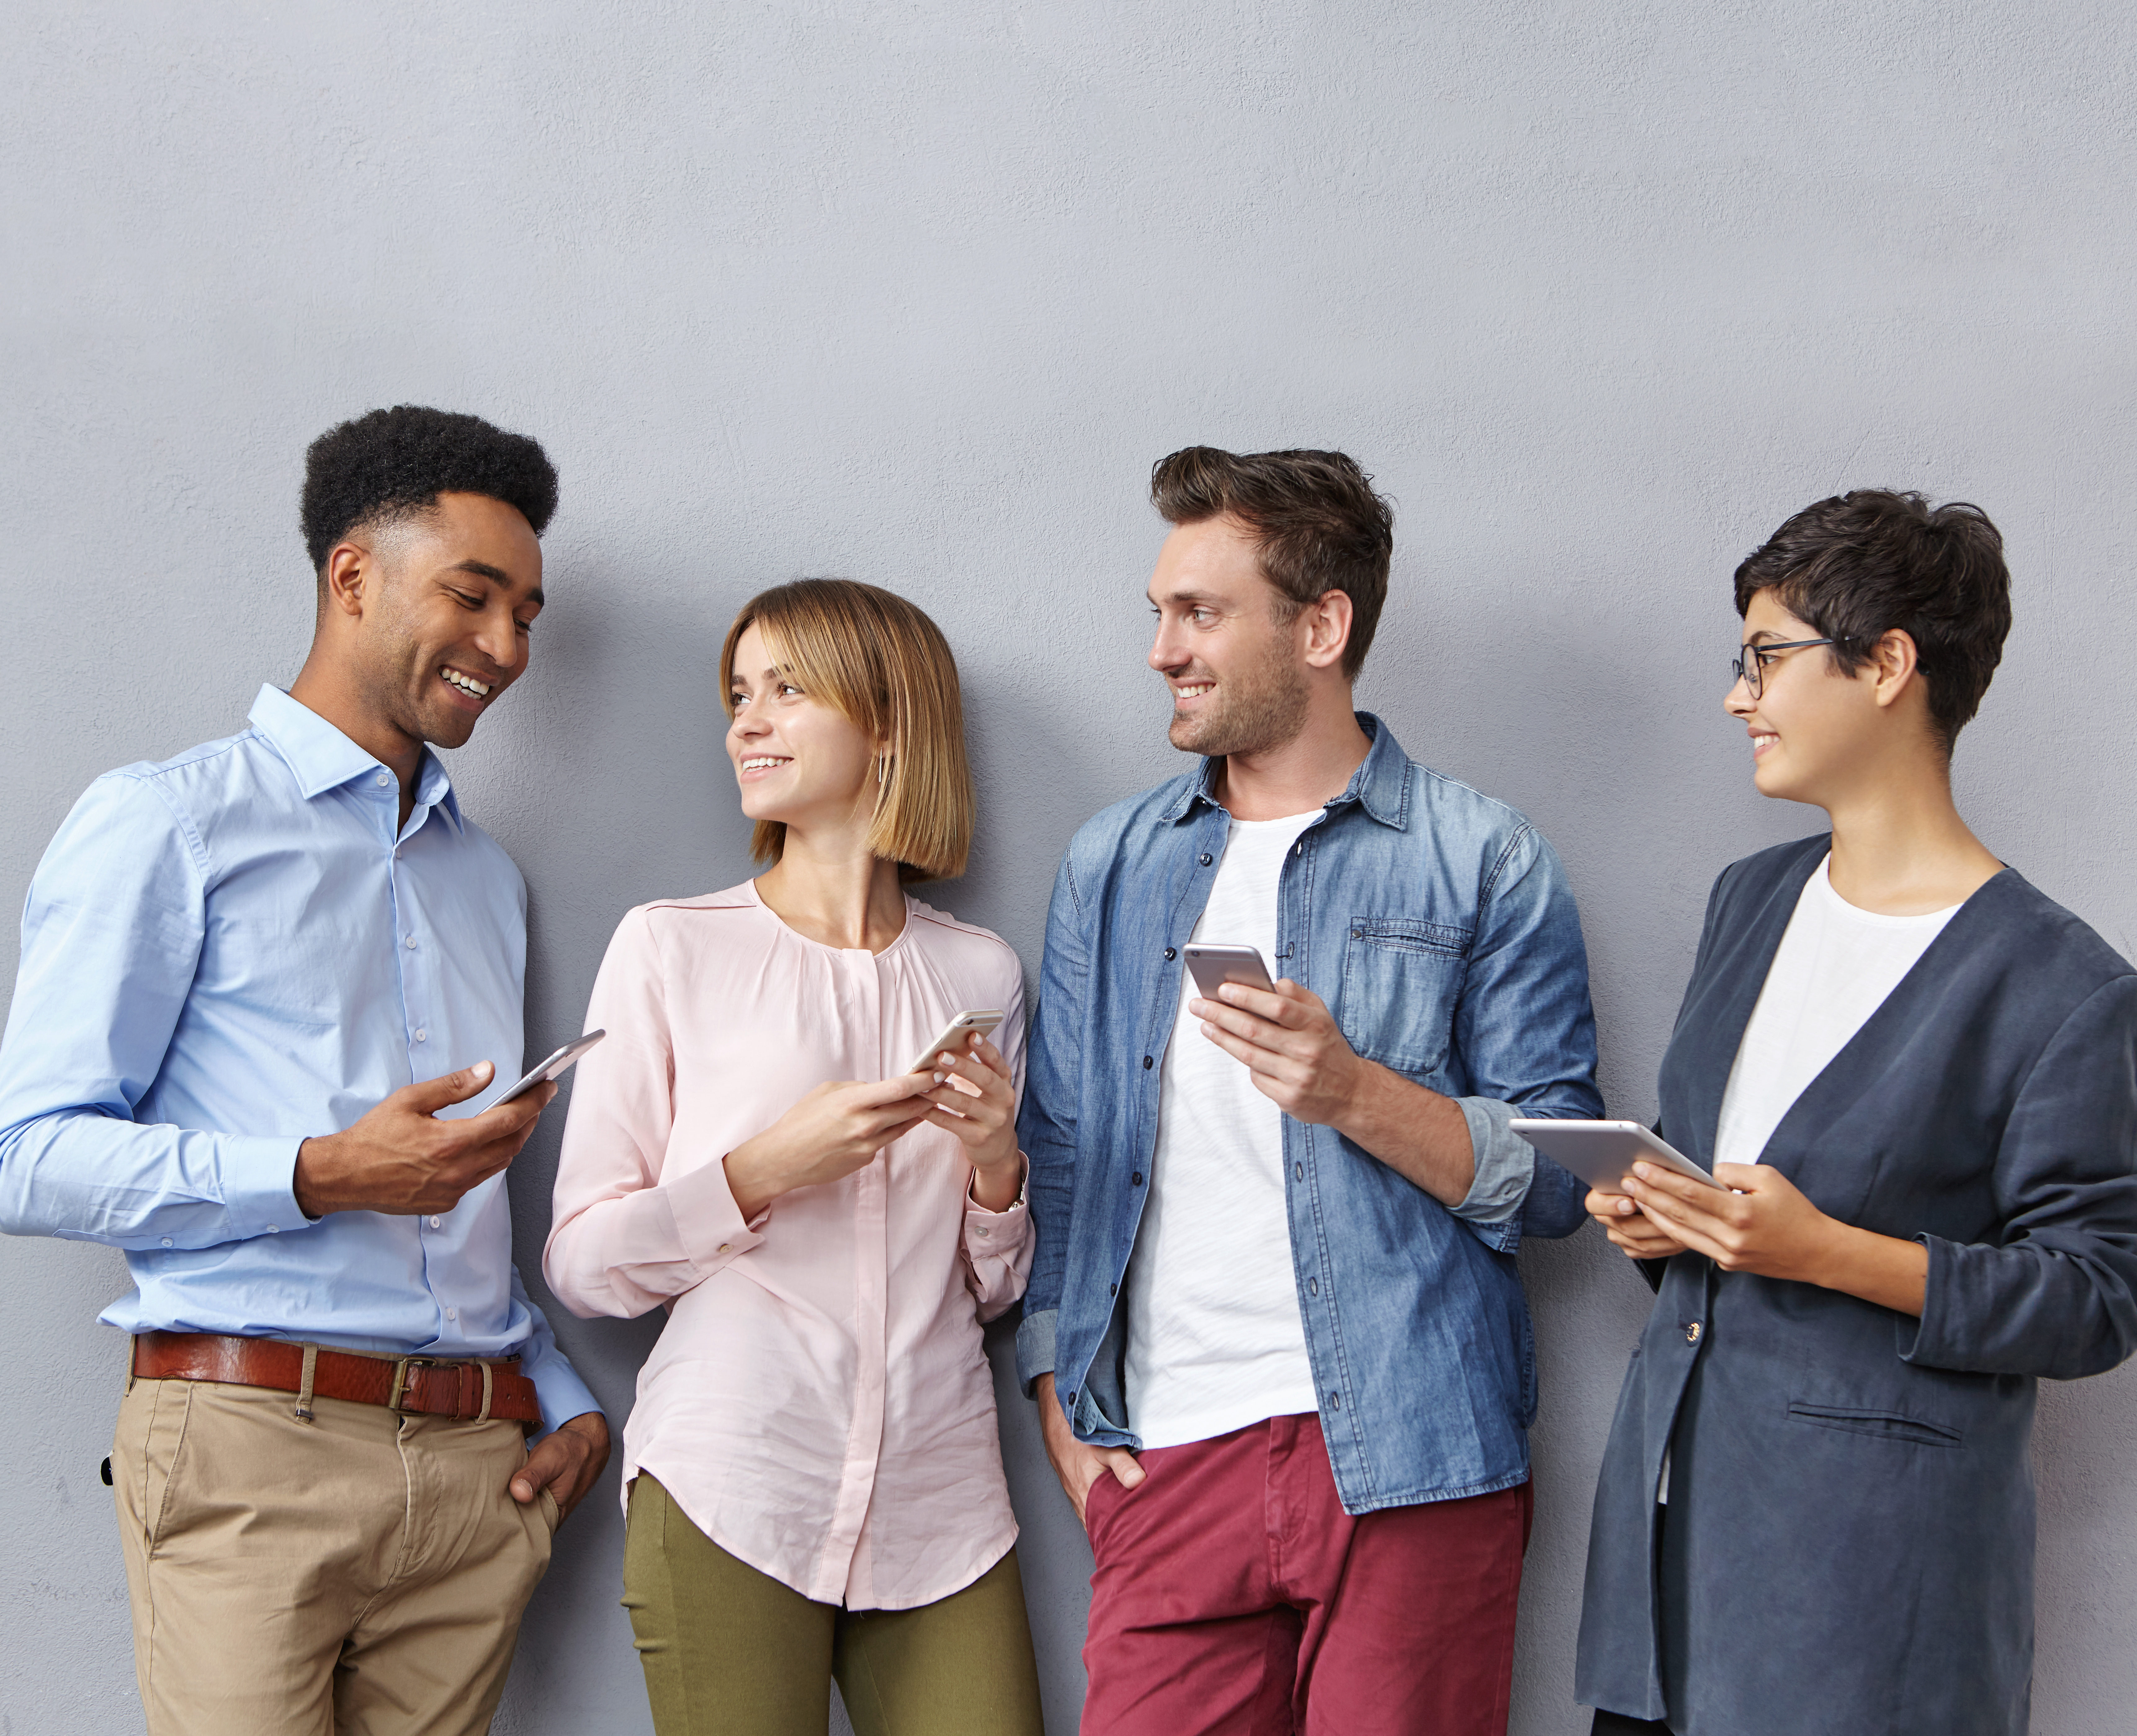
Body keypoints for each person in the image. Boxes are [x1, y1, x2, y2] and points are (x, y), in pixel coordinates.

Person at [0, 405, 611, 1736]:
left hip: (472, 1476)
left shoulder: (487, 883)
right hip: (248, 1449)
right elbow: (27, 1154)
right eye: (473, 596)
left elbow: (462, 1201)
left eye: (529, 614)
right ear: (351, 576)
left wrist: (558, 1396)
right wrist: (323, 1174)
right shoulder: (167, 821)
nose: (506, 648)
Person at [1018, 446, 1605, 1735]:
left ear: (1322, 626)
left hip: (1410, 1456)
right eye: (1161, 614)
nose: (1163, 649)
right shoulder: (1112, 863)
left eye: (1201, 613)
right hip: (1162, 1454)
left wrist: (1352, 1091)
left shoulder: (1482, 857)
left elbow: (1569, 1177)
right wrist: (1061, 1396)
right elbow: (1059, 1143)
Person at [1575, 491, 2137, 1736]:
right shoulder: (1752, 901)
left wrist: (1821, 1249)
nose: (1739, 696)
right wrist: (1665, 1213)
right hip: (1667, 1574)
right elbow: (1722, 1177)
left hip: (1870, 1604)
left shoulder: (2062, 987)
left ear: (1888, 665)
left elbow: (2097, 1297)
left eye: (1767, 657)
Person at [543, 578, 1046, 1736]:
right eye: (738, 694)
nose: (745, 723)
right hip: (734, 1476)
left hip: (943, 1500)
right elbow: (582, 1262)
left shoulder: (982, 975)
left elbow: (997, 1291)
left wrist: (995, 1172)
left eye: (787, 689)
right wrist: (762, 1167)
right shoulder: (673, 946)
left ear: (889, 726)